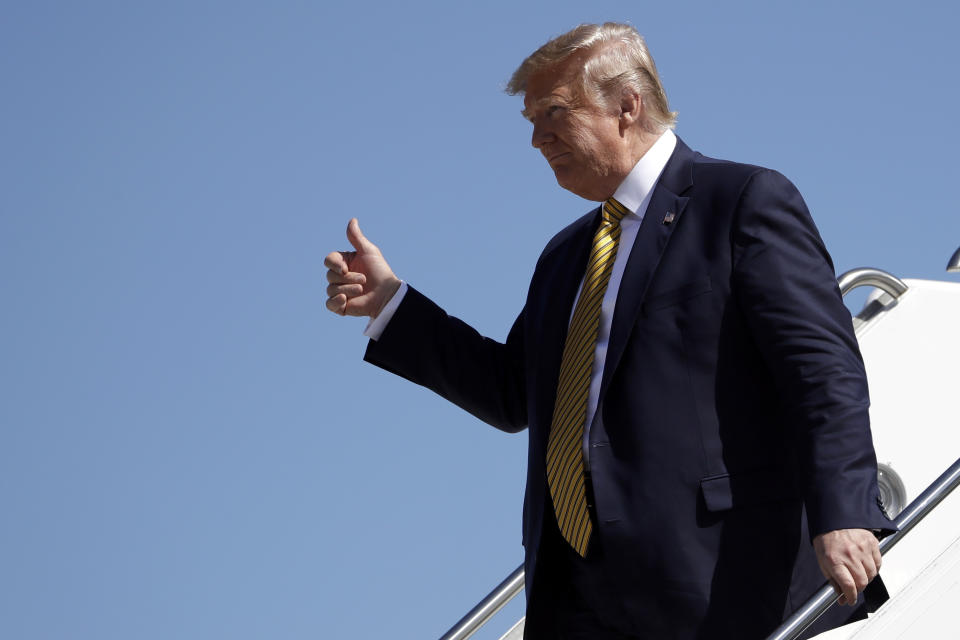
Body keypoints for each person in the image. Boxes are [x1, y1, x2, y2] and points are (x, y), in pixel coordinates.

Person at [324, 22, 894, 640]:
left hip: (717, 577)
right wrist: (391, 305)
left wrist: (844, 512)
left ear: (627, 106)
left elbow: (822, 371)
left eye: (555, 113)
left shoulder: (741, 201)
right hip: (578, 597)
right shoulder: (564, 257)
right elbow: (514, 393)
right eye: (531, 122)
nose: (538, 138)